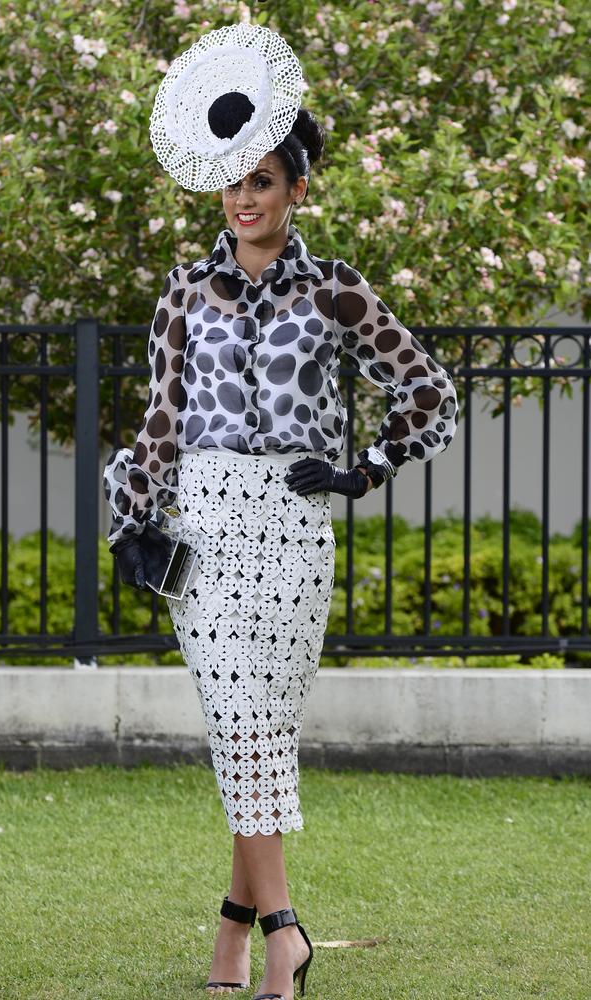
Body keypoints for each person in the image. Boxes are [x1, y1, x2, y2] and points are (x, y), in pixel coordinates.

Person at [102, 24, 459, 1000]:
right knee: (238, 722)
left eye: (261, 180)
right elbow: (159, 421)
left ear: (295, 188)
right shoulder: (182, 292)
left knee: (251, 732)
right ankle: (283, 933)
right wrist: (133, 518)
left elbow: (426, 391)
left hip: (294, 531)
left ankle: (233, 937)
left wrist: (362, 471)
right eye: (231, 182)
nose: (243, 198)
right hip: (205, 528)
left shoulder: (336, 289)